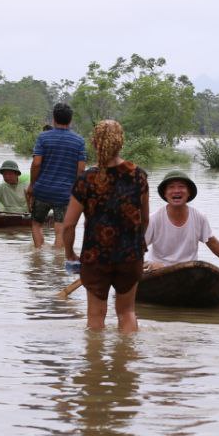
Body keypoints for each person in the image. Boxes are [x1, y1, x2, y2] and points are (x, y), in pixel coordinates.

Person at [63, 120, 150, 333]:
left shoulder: (86, 180)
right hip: (130, 255)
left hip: (95, 256)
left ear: (94, 143)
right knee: (127, 312)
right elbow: (145, 218)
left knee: (95, 315)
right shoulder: (138, 175)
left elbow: (68, 225)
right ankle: (126, 362)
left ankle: (94, 365)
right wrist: (136, 245)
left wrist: (69, 252)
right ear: (121, 143)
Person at [144, 170, 219, 276]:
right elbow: (136, 250)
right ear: (165, 194)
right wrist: (150, 265)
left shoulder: (199, 217)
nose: (176, 191)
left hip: (189, 273)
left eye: (181, 187)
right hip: (160, 273)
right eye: (171, 187)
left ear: (189, 193)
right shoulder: (154, 219)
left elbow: (212, 243)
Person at [28, 102, 86, 250]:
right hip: (65, 193)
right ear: (70, 120)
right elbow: (81, 169)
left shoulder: (43, 137)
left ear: (53, 119)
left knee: (36, 223)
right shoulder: (79, 141)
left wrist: (32, 185)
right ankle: (57, 263)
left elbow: (36, 164)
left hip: (42, 190)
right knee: (60, 227)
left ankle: (38, 258)